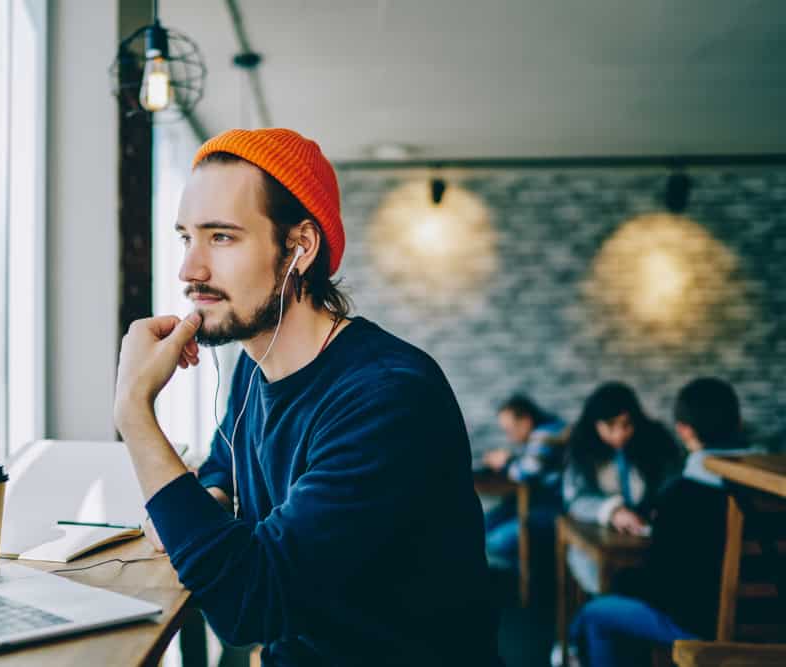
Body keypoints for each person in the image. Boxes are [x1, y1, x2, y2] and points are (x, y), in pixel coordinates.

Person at [112, 128, 501, 666]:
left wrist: (135, 409)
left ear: (300, 247)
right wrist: (214, 498)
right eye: (186, 238)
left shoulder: (387, 398)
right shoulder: (253, 371)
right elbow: (223, 466)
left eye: (221, 237)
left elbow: (250, 609)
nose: (190, 270)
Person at [568, 378, 749, 667]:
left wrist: (623, 581)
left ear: (684, 430)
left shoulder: (681, 495)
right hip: (771, 622)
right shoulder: (773, 486)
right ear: (739, 423)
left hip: (702, 626)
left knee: (593, 614)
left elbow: (662, 586)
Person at [561, 382, 682, 594]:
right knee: (599, 577)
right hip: (596, 535)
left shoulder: (657, 440)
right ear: (595, 424)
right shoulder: (581, 448)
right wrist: (613, 511)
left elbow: (672, 482)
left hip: (645, 534)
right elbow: (575, 499)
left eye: (626, 424)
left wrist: (662, 505)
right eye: (611, 426)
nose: (620, 434)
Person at [483, 394, 568, 569]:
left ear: (526, 421)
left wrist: (505, 461)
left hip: (557, 509)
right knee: (482, 527)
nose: (509, 436)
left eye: (510, 430)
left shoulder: (546, 435)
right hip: (538, 504)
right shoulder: (545, 432)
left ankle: (524, 582)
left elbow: (527, 472)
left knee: (494, 542)